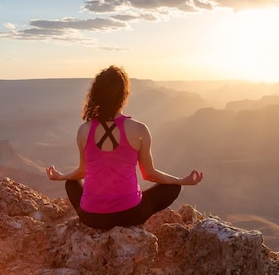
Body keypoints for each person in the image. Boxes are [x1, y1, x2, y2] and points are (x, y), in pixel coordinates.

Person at [46, 65, 204, 230]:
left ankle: (96, 212)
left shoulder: (84, 130)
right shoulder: (139, 129)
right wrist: (181, 181)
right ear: (124, 95)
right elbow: (149, 174)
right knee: (172, 187)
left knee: (71, 184)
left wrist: (61, 176)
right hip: (129, 214)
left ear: (96, 95)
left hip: (91, 218)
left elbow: (82, 172)